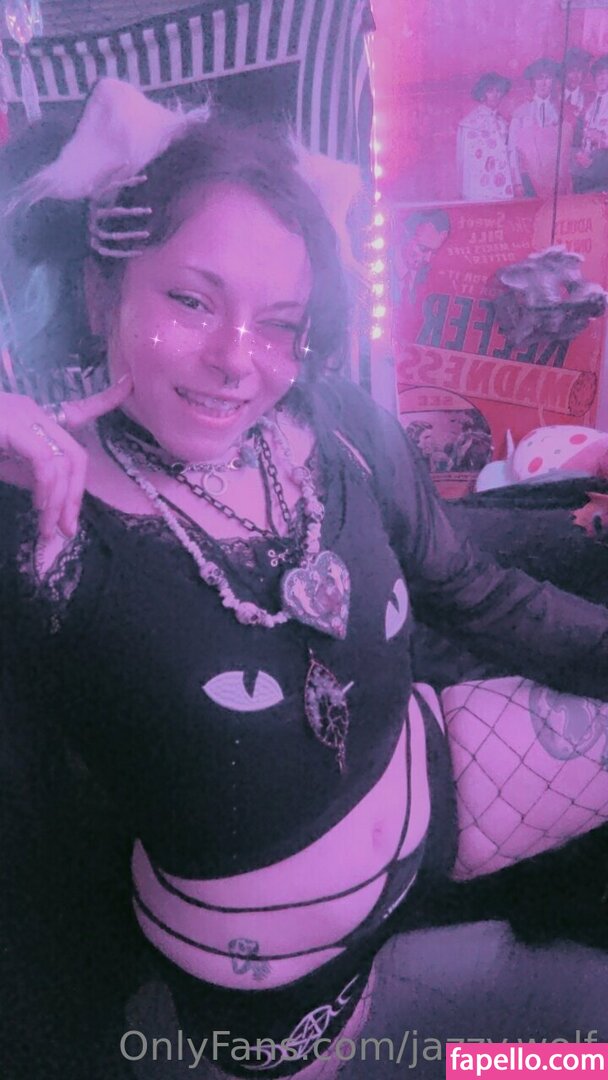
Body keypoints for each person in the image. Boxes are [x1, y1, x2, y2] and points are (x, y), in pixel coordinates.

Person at [2, 79, 608, 1080]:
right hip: (297, 1018)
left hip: (433, 802)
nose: (238, 361)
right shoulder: (41, 516)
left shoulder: (337, 426)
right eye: (192, 301)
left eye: (279, 322)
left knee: (593, 1034)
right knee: (513, 1064)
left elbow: (473, 593)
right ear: (101, 292)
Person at [508, 57, 572, 198]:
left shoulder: (562, 111)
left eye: (547, 78)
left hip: (557, 182)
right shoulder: (520, 114)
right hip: (529, 181)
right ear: (533, 83)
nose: (543, 83)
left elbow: (567, 150)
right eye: (539, 78)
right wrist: (517, 182)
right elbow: (512, 150)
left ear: (553, 81)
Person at [456, 72, 513, 202]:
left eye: (498, 90)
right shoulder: (469, 124)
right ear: (482, 94)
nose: (495, 95)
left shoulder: (503, 123)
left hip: (501, 185)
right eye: (490, 91)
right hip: (479, 188)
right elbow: (466, 162)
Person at [393, 209, 450, 307]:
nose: (427, 259)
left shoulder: (425, 277)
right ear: (407, 236)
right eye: (423, 248)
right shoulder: (382, 262)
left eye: (433, 252)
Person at [574, 55, 608, 193]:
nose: (602, 78)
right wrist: (581, 154)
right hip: (587, 168)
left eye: (606, 73)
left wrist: (602, 139)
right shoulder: (590, 105)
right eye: (599, 74)